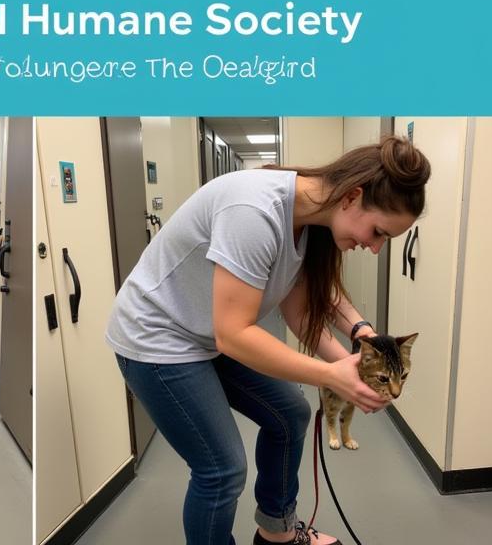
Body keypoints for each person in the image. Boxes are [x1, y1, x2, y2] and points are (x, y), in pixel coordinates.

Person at [107, 136, 431, 545]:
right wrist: (332, 376)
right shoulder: (254, 211)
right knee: (221, 469)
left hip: (204, 334)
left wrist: (356, 366)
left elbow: (300, 312)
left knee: (290, 413)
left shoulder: (310, 222)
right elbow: (234, 335)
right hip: (156, 338)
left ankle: (276, 534)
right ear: (352, 197)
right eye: (379, 232)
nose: (376, 247)